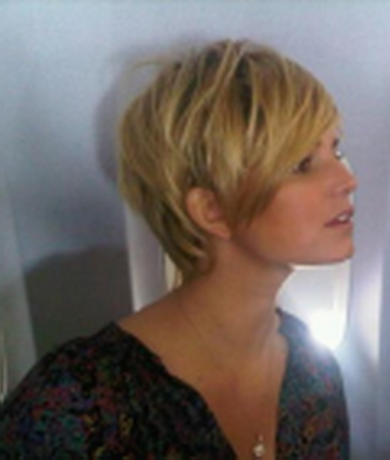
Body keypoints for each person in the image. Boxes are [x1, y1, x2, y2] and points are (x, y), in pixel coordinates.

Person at [0, 39, 355, 459]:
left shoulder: (314, 372)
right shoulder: (77, 403)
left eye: (336, 149)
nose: (347, 179)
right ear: (212, 210)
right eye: (301, 164)